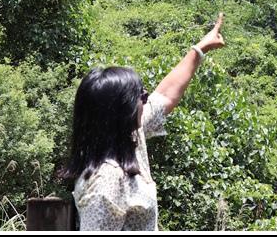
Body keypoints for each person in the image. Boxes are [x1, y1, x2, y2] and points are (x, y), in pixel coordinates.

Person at [59, 13, 226, 231]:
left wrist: (200, 48)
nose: (145, 100)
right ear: (122, 111)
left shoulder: (128, 139)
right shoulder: (106, 181)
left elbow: (164, 96)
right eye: (141, 95)